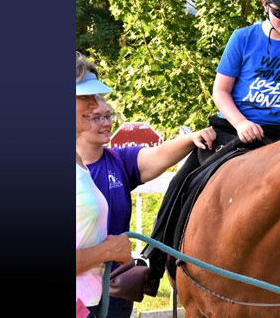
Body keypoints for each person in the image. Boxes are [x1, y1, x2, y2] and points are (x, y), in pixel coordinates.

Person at [142, 0, 280, 298]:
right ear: (266, 5)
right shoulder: (243, 38)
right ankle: (150, 262)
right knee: (182, 183)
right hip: (232, 130)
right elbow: (220, 91)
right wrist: (240, 123)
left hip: (279, 138)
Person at [76, 95, 216, 317]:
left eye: (107, 115)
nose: (106, 122)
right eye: (96, 117)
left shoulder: (119, 161)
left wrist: (192, 138)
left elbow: (158, 155)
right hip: (80, 292)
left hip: (115, 288)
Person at [76, 52, 132, 317]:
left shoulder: (77, 160)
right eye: (85, 97)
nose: (95, 105)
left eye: (95, 96)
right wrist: (109, 250)